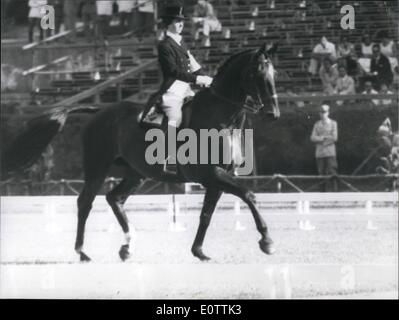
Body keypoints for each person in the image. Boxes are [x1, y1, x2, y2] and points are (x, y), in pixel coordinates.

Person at [143, 2, 213, 173]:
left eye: (182, 21)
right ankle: (169, 158)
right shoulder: (165, 45)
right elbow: (173, 72)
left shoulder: (181, 42)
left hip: (187, 87)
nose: (181, 24)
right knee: (175, 116)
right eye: (177, 21)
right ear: (168, 24)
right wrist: (199, 79)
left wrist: (208, 78)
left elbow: (193, 64)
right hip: (173, 88)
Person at [310, 104, 338, 191]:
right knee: (321, 173)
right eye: (321, 112)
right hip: (320, 153)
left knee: (332, 172)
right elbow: (312, 137)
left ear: (328, 113)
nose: (323, 114)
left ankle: (335, 192)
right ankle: (322, 193)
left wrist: (322, 141)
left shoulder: (333, 123)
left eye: (324, 112)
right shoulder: (317, 124)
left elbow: (334, 137)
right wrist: (323, 138)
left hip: (330, 152)